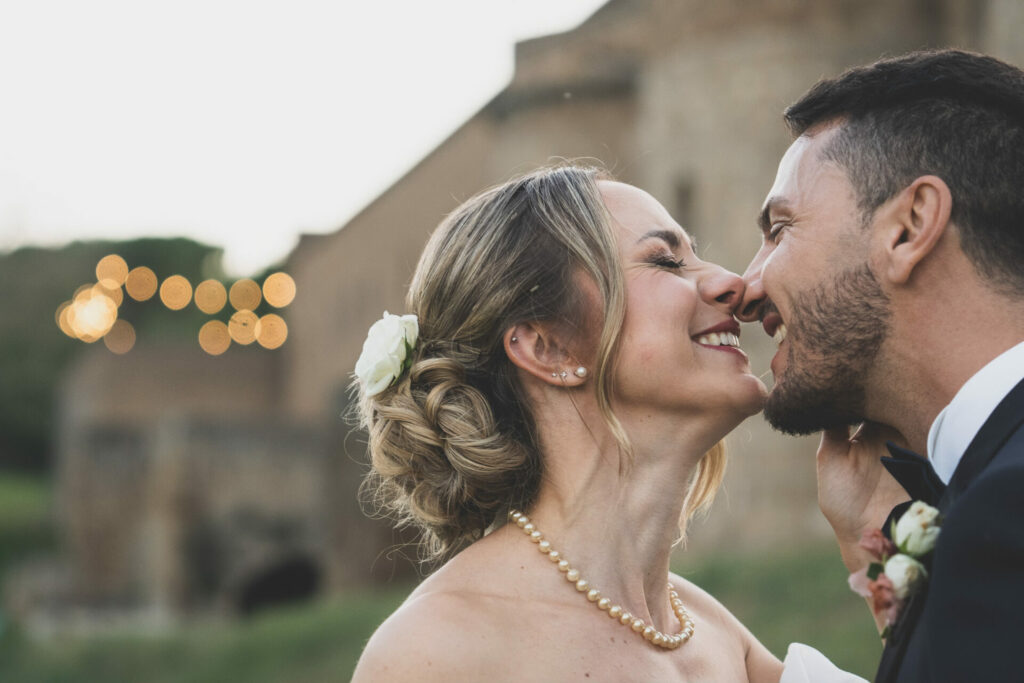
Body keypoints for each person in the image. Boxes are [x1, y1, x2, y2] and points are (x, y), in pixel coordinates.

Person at [349, 165, 859, 681]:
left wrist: (868, 541)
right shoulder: (439, 649)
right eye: (665, 262)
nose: (733, 281)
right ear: (548, 347)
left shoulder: (714, 636)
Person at [738, 49, 1024, 683]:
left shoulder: (1009, 507)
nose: (747, 285)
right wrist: (878, 543)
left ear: (910, 226)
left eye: (780, 229)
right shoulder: (986, 492)